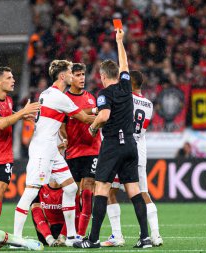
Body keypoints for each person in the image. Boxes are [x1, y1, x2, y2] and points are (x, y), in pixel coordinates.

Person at [73, 28, 152, 249]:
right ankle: (144, 237)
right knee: (134, 190)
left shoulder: (103, 94)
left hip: (112, 145)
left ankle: (93, 239)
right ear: (118, 75)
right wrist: (120, 41)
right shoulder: (126, 87)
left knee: (101, 189)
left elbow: (105, 115)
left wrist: (93, 126)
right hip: (130, 145)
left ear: (103, 76)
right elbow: (125, 64)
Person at [13, 60, 95, 247]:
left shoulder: (46, 93)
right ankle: (16, 238)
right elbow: (83, 118)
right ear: (62, 76)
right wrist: (106, 115)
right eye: (70, 72)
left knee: (71, 188)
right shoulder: (60, 97)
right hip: (42, 149)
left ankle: (72, 236)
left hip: (51, 149)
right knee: (31, 191)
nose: (73, 76)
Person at [102, 70, 163, 247]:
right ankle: (156, 234)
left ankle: (117, 235)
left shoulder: (123, 99)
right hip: (139, 150)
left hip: (120, 146)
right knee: (143, 192)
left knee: (110, 191)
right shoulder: (149, 105)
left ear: (130, 84)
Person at [0, 66, 40, 229]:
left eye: (13, 77)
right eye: (9, 78)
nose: (13, 81)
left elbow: (7, 114)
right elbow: (1, 123)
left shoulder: (8, 100)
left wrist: (23, 115)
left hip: (5, 158)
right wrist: (21, 112)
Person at [59, 63, 101, 237]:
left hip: (92, 149)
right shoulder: (63, 99)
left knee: (89, 187)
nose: (82, 78)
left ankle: (81, 234)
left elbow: (98, 118)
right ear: (70, 78)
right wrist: (64, 137)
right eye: (77, 75)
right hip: (74, 151)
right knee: (72, 191)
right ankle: (67, 232)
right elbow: (62, 123)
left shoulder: (91, 97)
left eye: (83, 74)